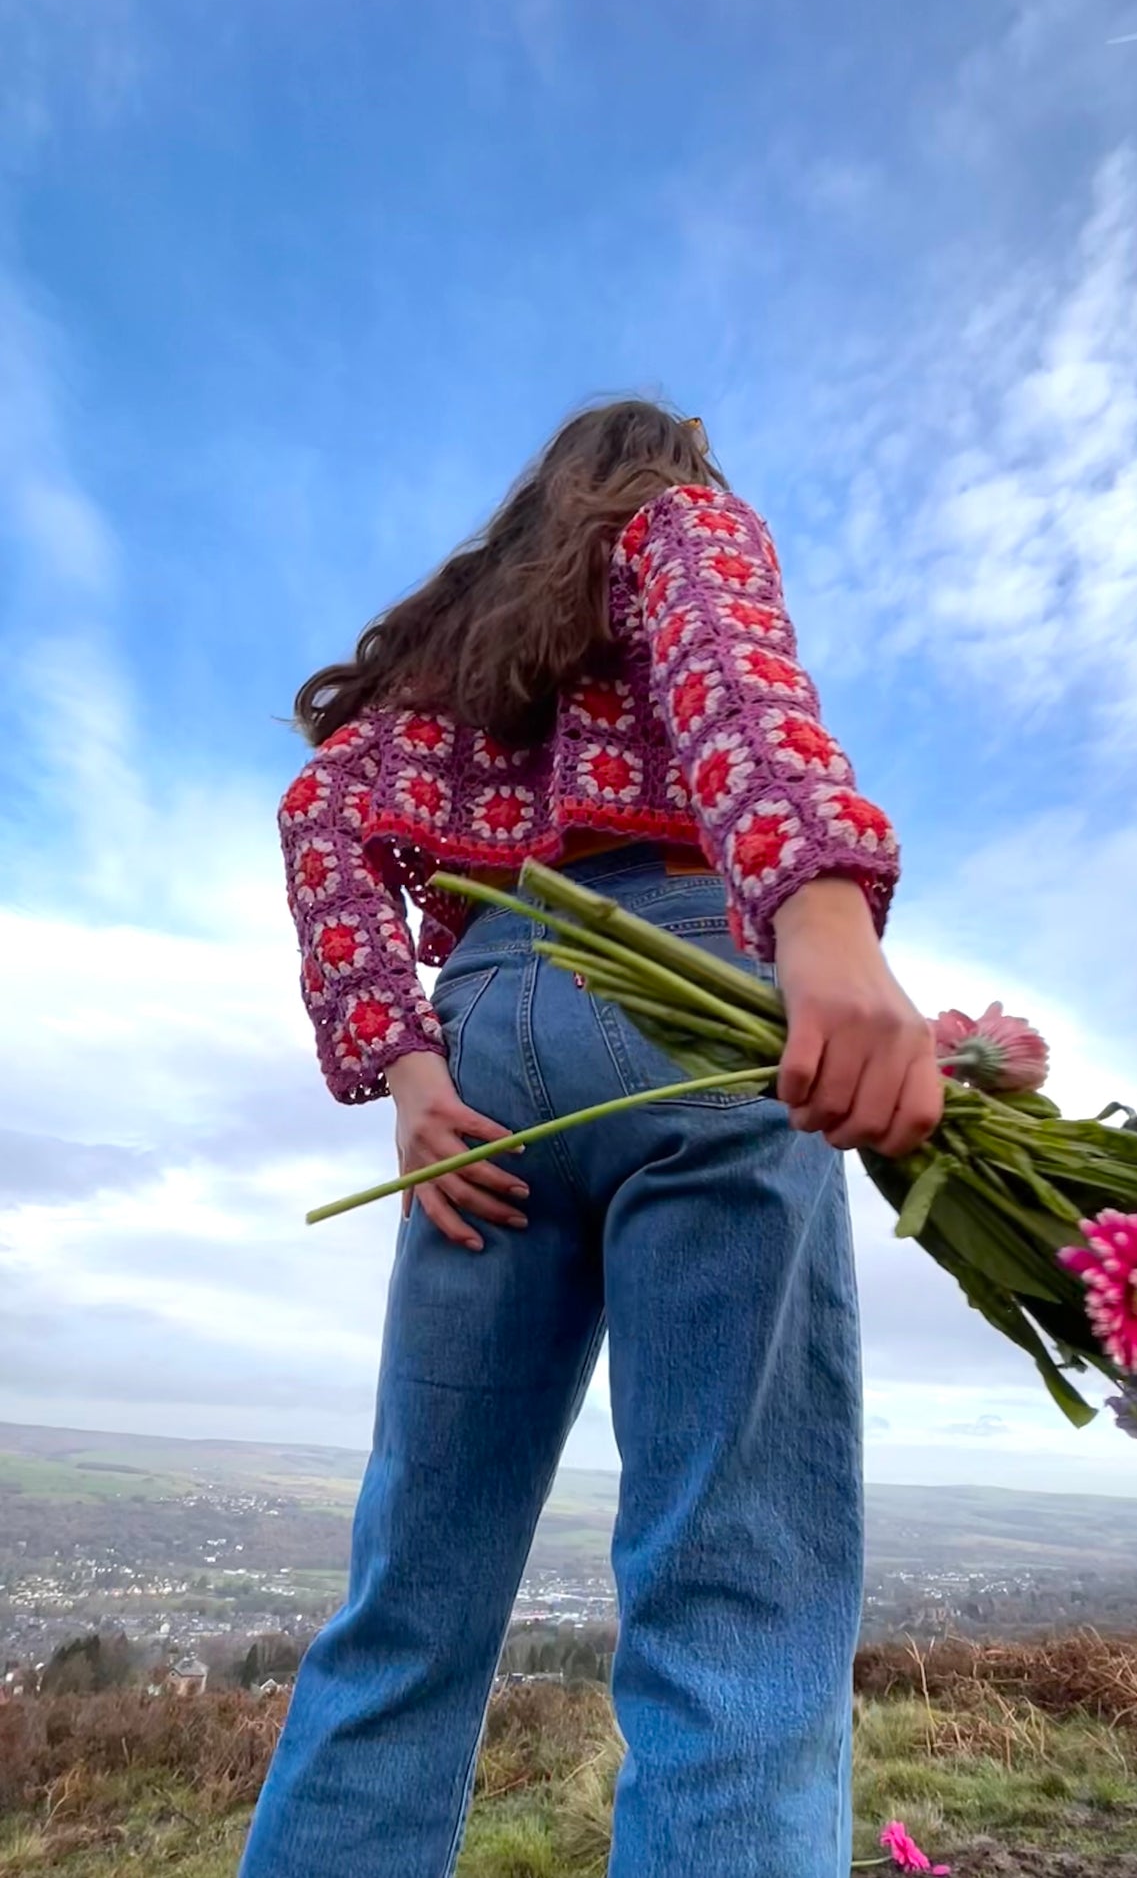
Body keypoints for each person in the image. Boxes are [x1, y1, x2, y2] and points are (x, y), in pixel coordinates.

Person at [240, 401, 942, 1878]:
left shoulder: (451, 670)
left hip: (491, 1031)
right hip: (691, 992)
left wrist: (408, 1065)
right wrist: (818, 913)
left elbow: (321, 814)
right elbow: (731, 676)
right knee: (729, 1591)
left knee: (409, 1601)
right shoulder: (677, 524)